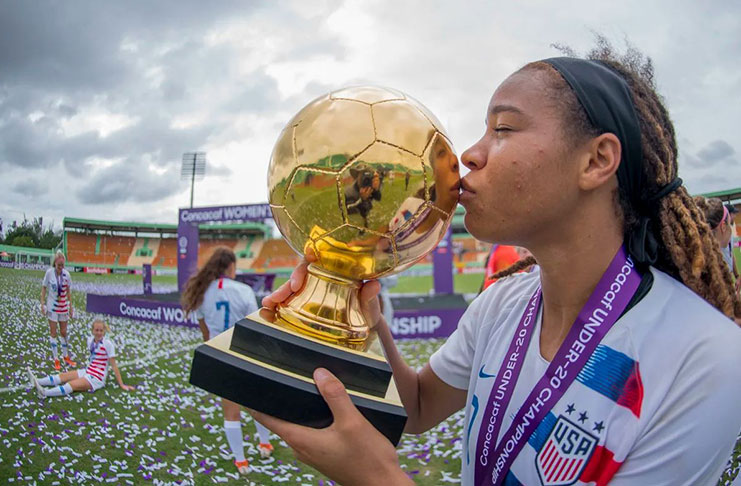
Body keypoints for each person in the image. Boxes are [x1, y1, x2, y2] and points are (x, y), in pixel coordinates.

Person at [255, 40, 741, 486]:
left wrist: (379, 479)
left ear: (596, 161)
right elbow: (419, 406)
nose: (468, 153)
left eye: (503, 128)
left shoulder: (708, 357)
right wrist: (364, 318)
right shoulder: (502, 303)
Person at [181, 247, 275, 475]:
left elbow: (206, 335)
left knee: (230, 412)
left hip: (221, 358)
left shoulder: (203, 292)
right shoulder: (243, 291)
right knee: (258, 405)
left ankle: (241, 461)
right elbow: (255, 328)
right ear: (231, 266)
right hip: (245, 356)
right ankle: (264, 444)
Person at [27, 319, 134, 398]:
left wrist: (121, 384)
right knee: (63, 376)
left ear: (104, 331)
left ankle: (45, 393)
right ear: (92, 331)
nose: (99, 333)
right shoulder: (90, 340)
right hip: (87, 371)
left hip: (97, 378)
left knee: (71, 385)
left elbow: (114, 366)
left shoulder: (108, 344)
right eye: (96, 330)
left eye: (101, 330)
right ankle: (38, 381)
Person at [40, 250, 76, 370]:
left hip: (63, 307)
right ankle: (56, 359)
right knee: (53, 333)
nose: (61, 267)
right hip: (52, 307)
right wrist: (42, 304)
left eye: (63, 265)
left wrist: (70, 307)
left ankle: (66, 356)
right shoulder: (49, 273)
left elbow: (69, 292)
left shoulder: (67, 275)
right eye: (59, 265)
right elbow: (44, 288)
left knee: (64, 332)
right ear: (55, 263)